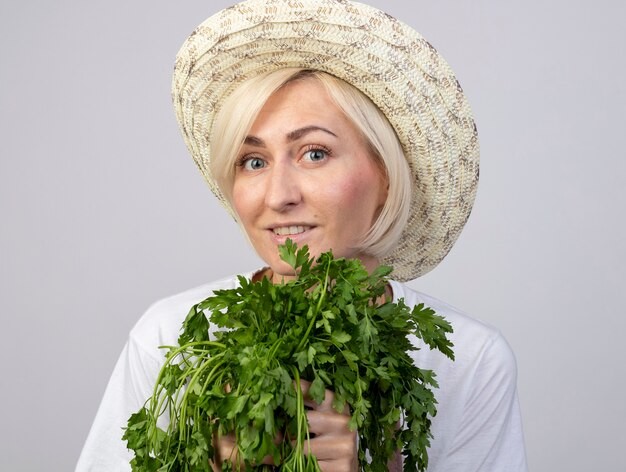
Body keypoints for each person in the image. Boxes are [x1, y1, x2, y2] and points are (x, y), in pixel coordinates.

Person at [76, 0, 527, 471]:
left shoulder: (471, 364)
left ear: (387, 174)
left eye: (314, 153)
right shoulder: (173, 339)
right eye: (254, 161)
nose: (277, 196)